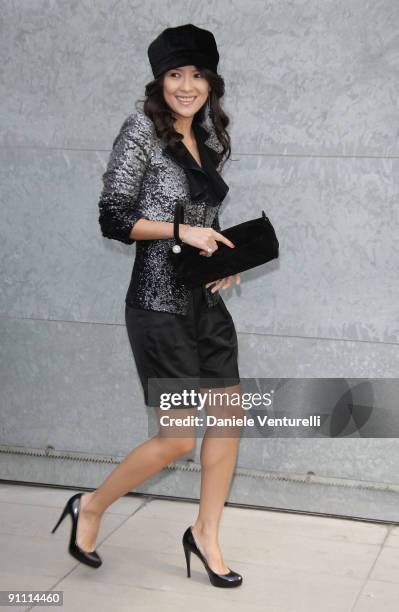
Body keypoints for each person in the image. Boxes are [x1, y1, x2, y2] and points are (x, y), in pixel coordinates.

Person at [51, 24, 244, 588]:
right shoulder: (140, 130)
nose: (187, 86)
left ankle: (206, 534)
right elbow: (114, 218)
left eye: (197, 75)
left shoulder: (207, 138)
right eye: (175, 74)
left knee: (229, 422)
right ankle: (90, 506)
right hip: (158, 307)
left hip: (204, 303)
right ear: (160, 79)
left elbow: (200, 226)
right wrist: (185, 230)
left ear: (211, 81)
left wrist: (221, 254)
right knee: (179, 437)